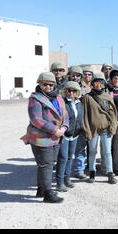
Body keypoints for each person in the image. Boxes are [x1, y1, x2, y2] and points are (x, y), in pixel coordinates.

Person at [21, 72, 68, 203]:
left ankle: (41, 189)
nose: (48, 87)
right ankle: (48, 194)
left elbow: (65, 115)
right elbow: (36, 119)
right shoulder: (35, 99)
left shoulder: (58, 97)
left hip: (56, 136)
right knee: (46, 165)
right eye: (45, 84)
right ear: (39, 84)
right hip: (41, 138)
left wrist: (64, 128)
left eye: (51, 84)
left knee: (46, 164)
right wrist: (55, 130)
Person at [83, 73, 118, 184]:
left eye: (101, 82)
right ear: (92, 84)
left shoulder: (107, 96)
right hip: (93, 130)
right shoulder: (87, 98)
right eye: (96, 82)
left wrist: (113, 128)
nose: (99, 85)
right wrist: (87, 130)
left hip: (106, 130)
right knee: (92, 152)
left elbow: (113, 114)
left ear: (104, 84)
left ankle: (110, 173)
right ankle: (92, 173)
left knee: (107, 152)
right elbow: (84, 116)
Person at [55, 81, 83, 192]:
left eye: (74, 91)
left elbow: (80, 117)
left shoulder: (78, 103)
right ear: (65, 91)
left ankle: (67, 179)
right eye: (69, 90)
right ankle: (59, 182)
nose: (71, 93)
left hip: (75, 134)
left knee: (70, 157)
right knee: (63, 158)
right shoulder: (62, 102)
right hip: (64, 134)